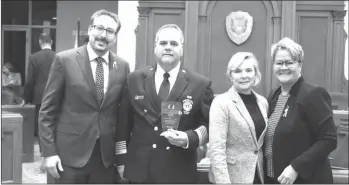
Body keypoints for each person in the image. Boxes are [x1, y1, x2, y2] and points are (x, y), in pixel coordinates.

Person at [115, 24, 214, 183]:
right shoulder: (134, 79)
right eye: (163, 43)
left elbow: (209, 126)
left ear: (181, 49)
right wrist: (121, 159)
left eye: (174, 44)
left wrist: (189, 138)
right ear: (155, 47)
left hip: (178, 170)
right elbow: (123, 124)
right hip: (140, 170)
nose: (168, 47)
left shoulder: (200, 85)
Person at [39, 9, 130, 183]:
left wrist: (121, 156)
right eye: (99, 28)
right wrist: (49, 152)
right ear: (90, 30)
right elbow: (47, 111)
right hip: (69, 156)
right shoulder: (64, 60)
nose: (103, 35)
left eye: (110, 31)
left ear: (115, 37)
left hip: (105, 158)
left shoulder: (123, 67)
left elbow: (122, 116)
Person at [264, 37, 337, 184]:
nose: (283, 67)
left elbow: (328, 140)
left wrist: (296, 167)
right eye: (279, 63)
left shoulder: (313, 94)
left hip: (305, 179)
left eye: (289, 62)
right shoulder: (274, 95)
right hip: (275, 178)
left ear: (299, 65)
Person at [208, 52, 268, 184]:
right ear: (230, 75)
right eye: (238, 71)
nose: (244, 75)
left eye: (248, 70)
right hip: (232, 178)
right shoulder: (221, 103)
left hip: (259, 176)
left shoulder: (263, 102)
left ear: (255, 74)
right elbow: (216, 149)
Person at [22, 33, 56, 144]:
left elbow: (29, 81)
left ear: (39, 42)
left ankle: (42, 149)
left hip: (39, 97)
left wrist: (26, 98)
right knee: (53, 122)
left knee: (40, 123)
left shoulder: (33, 57)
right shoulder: (59, 57)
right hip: (55, 95)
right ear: (51, 42)